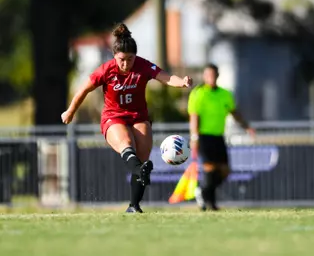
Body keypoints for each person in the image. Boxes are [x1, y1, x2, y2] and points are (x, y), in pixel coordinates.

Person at [61, 23, 193, 213]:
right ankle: (140, 171)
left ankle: (134, 206)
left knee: (142, 157)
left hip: (139, 117)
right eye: (122, 59)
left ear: (135, 57)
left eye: (130, 59)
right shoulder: (106, 70)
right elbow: (83, 89)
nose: (126, 64)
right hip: (113, 117)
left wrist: (182, 82)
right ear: (115, 56)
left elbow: (164, 76)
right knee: (126, 142)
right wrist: (70, 111)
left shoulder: (142, 65)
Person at [188, 64, 255, 211]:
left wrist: (246, 126)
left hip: (218, 137)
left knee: (225, 171)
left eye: (213, 75)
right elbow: (194, 117)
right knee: (210, 170)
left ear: (217, 76)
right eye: (208, 75)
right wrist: (194, 137)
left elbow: (234, 112)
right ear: (204, 77)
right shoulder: (198, 94)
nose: (210, 78)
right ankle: (211, 203)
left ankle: (202, 191)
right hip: (204, 137)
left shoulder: (225, 94)